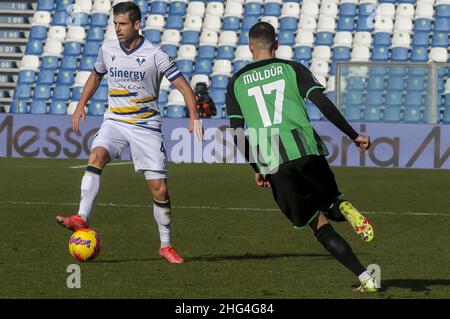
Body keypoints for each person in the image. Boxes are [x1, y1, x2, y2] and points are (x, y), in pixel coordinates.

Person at [226, 22, 377, 292]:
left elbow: (238, 133)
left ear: (250, 47)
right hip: (307, 149)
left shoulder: (236, 81)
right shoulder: (292, 69)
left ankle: (366, 277)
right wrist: (353, 135)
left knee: (317, 224)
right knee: (331, 201)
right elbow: (323, 103)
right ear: (276, 45)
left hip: (273, 161)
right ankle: (341, 207)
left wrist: (257, 167)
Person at [56, 2, 203, 264]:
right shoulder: (107, 49)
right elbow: (96, 76)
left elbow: (183, 86)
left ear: (137, 25)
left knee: (159, 190)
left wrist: (194, 117)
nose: (118, 29)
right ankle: (82, 217)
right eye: (115, 23)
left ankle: (165, 246)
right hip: (115, 121)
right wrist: (80, 105)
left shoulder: (155, 54)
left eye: (123, 24)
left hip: (146, 126)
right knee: (96, 156)